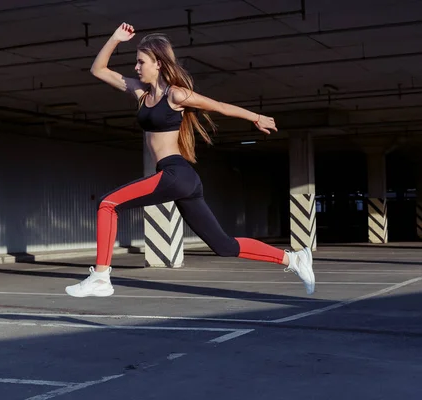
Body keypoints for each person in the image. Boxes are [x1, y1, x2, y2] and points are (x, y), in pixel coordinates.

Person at [65, 22, 315, 298]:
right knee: (224, 245)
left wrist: (255, 117)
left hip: (177, 174)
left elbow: (218, 106)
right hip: (182, 179)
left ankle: (101, 277)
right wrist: (114, 38)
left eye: (141, 62)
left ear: (158, 63)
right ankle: (294, 260)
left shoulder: (176, 94)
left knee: (108, 204)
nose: (136, 68)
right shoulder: (140, 93)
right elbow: (98, 70)